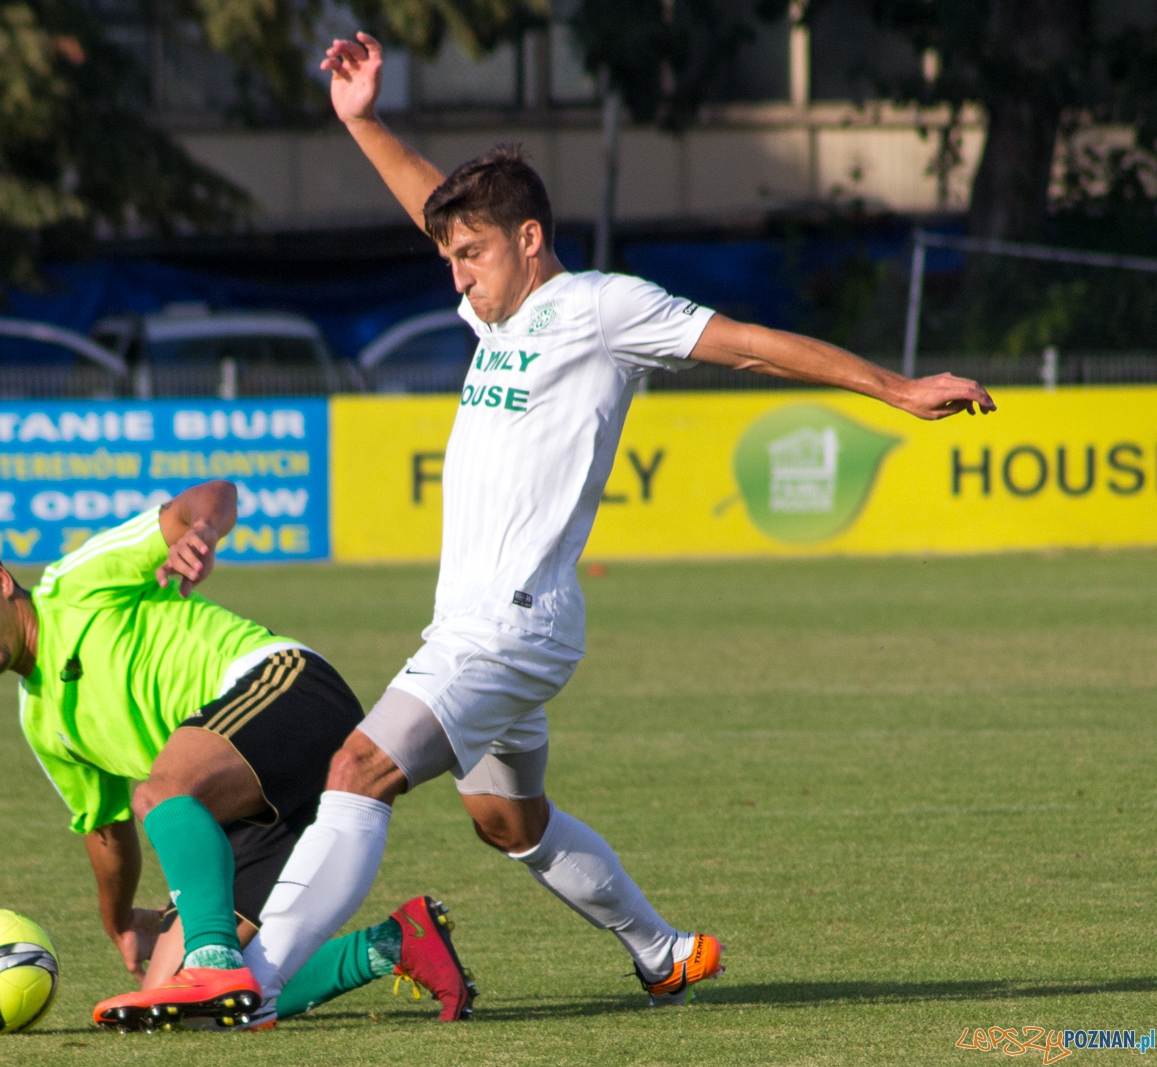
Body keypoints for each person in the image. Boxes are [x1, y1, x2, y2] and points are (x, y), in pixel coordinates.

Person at [227, 32, 1000, 1023]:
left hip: (502, 625)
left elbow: (750, 346)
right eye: (452, 255)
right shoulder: (494, 317)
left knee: (356, 767)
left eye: (471, 254)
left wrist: (894, 387)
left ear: (530, 239)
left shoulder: (597, 307)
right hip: (494, 621)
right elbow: (438, 212)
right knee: (509, 820)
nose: (455, 275)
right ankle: (662, 949)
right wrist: (363, 119)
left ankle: (254, 984)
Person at [0, 480, 476, 1031]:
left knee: (163, 792)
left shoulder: (73, 584)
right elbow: (107, 833)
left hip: (288, 688)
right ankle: (393, 946)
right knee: (181, 1007)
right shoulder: (41, 721)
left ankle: (212, 958)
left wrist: (202, 532)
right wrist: (119, 924)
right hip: (249, 807)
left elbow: (213, 494)